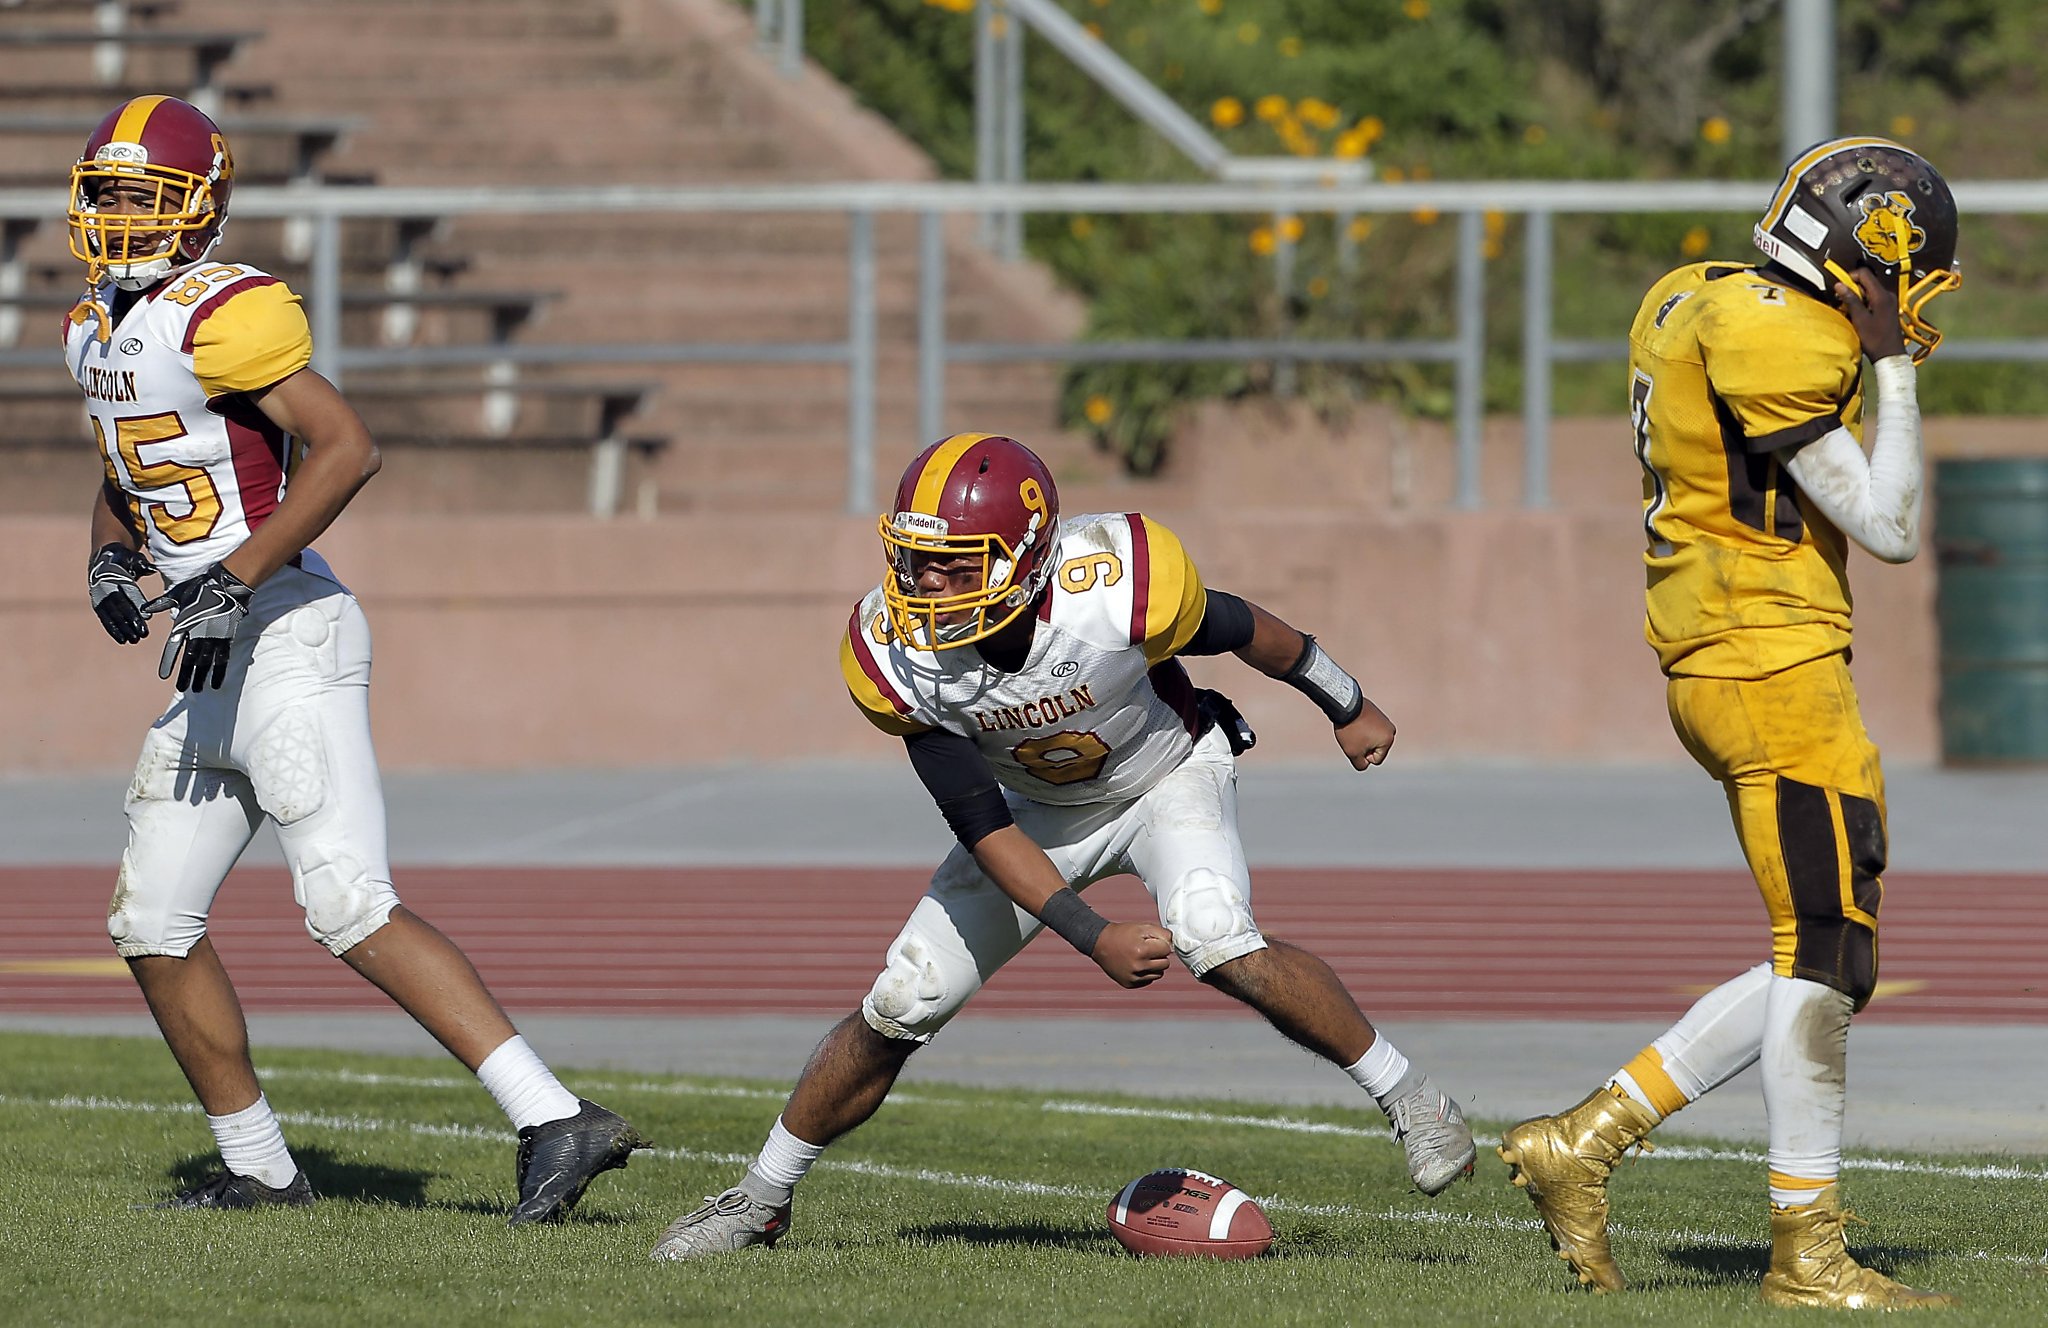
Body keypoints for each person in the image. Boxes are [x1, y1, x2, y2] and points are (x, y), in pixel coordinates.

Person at [649, 431, 1476, 1261]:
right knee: (903, 1000)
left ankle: (1413, 1100)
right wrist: (1094, 935)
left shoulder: (1115, 588)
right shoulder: (898, 658)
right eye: (914, 559)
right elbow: (982, 825)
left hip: (1168, 771)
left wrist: (1345, 701)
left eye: (957, 563)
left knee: (1215, 934)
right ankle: (757, 1199)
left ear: (1027, 556)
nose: (925, 583)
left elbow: (1238, 626)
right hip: (1037, 810)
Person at [70, 94, 645, 1220]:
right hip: (208, 652)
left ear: (198, 209)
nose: (124, 215)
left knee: (345, 901)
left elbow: (346, 448)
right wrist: (104, 558)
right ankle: (263, 1167)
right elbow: (128, 471)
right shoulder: (94, 324)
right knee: (150, 921)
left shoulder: (221, 313)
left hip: (285, 627)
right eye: (109, 193)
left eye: (146, 195)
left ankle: (554, 1116)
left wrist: (231, 578)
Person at [1497, 137, 1962, 1310]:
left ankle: (1587, 1136)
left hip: (1716, 645)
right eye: (1906, 273)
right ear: (1865, 256)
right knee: (1826, 948)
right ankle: (1803, 1247)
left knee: (1823, 950)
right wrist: (1893, 368)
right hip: (1771, 658)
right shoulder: (1782, 337)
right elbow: (1889, 522)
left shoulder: (1690, 294)